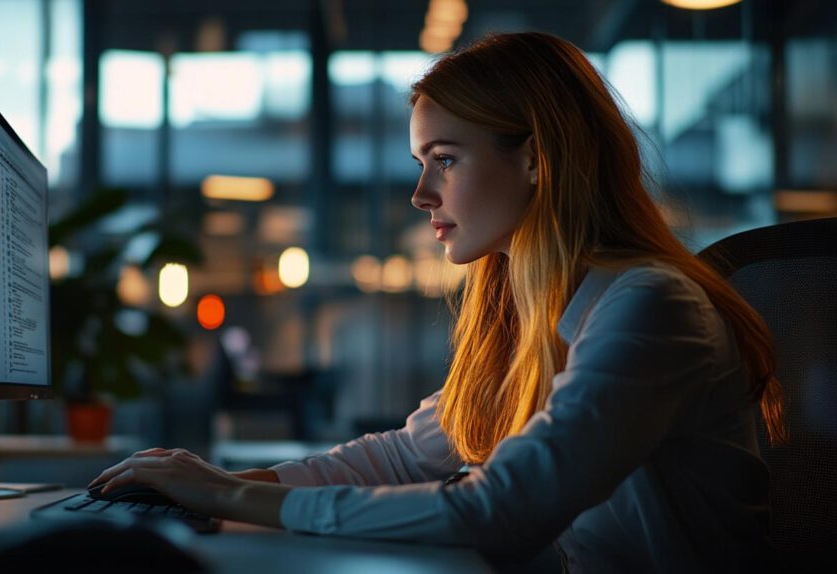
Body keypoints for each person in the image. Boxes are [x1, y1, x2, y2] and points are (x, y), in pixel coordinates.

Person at [89, 32, 786, 571]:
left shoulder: (652, 308)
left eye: (445, 159)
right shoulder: (533, 316)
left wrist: (229, 497)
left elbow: (502, 510)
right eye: (422, 163)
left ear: (537, 159)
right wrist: (215, 482)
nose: (422, 194)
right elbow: (401, 457)